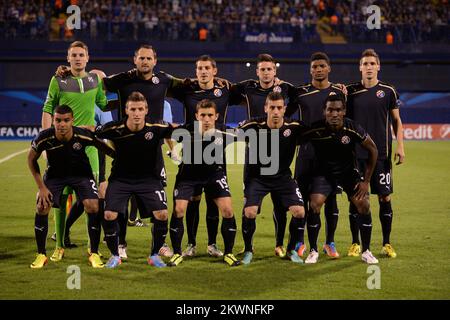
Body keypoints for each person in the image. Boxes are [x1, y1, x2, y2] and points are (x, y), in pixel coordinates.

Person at [42, 41, 108, 261]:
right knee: (60, 198)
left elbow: (103, 103)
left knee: (94, 199)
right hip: (61, 148)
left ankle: (93, 248)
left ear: (88, 58)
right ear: (68, 58)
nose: (78, 58)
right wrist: (45, 141)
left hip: (88, 148)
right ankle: (59, 245)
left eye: (81, 55)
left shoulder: (94, 80)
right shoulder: (58, 79)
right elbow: (48, 109)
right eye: (74, 55)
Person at [95, 92, 175, 269]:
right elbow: (93, 135)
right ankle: (115, 255)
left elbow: (176, 130)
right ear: (126, 110)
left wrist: (176, 150)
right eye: (133, 109)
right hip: (121, 179)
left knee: (162, 214)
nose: (136, 113)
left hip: (149, 179)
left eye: (140, 109)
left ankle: (154, 255)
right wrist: (110, 153)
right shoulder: (114, 128)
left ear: (146, 110)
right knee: (109, 215)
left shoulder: (157, 126)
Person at [170, 55, 239, 258]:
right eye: (199, 68)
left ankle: (212, 244)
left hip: (217, 153)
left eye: (207, 68)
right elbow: (164, 85)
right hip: (191, 154)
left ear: (214, 71)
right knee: (192, 200)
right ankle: (191, 244)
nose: (202, 71)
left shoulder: (225, 89)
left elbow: (247, 92)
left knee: (214, 201)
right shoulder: (187, 90)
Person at [28, 105, 114, 268]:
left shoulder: (82, 135)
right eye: (58, 120)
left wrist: (118, 157)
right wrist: (41, 187)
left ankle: (94, 253)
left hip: (81, 175)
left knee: (93, 205)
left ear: (72, 121)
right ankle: (41, 254)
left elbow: (100, 145)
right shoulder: (44, 137)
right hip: (55, 176)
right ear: (53, 121)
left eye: (66, 120)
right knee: (42, 205)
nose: (62, 124)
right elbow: (31, 159)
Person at [231, 53, 298, 258]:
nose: (266, 72)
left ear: (275, 71)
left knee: (281, 205)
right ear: (257, 71)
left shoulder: (285, 88)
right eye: (262, 69)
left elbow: (300, 96)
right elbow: (229, 92)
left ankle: (279, 245)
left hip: (279, 149)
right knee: (249, 206)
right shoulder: (248, 87)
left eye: (269, 69)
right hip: (255, 150)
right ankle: (248, 247)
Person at [300, 93, 379, 264]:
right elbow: (294, 140)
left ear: (344, 111)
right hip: (323, 174)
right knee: (314, 204)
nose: (334, 114)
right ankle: (313, 250)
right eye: (330, 110)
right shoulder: (316, 129)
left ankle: (366, 251)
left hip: (347, 173)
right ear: (324, 111)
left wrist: (365, 181)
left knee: (363, 204)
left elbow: (373, 150)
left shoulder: (353, 128)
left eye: (337, 110)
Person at [286, 52, 346, 259]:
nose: (318, 69)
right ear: (310, 70)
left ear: (329, 68)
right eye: (315, 67)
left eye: (322, 66)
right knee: (301, 199)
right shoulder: (300, 93)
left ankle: (329, 242)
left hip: (332, 156)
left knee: (331, 201)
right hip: (305, 154)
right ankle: (301, 241)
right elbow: (286, 115)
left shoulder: (339, 92)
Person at [346, 49, 405, 258]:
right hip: (356, 155)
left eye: (372, 63)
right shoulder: (350, 92)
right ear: (360, 67)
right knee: (356, 198)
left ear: (378, 66)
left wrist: (400, 146)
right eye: (365, 64)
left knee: (385, 197)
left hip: (381, 155)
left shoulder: (388, 91)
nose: (369, 67)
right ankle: (355, 243)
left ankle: (386, 243)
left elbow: (397, 120)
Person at [237, 92, 306, 265]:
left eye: (279, 108)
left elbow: (316, 134)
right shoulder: (252, 125)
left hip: (282, 177)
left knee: (299, 211)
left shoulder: (295, 126)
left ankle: (291, 250)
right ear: (266, 108)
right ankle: (248, 250)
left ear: (284, 110)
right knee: (250, 211)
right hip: (257, 178)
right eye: (272, 107)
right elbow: (229, 135)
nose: (275, 111)